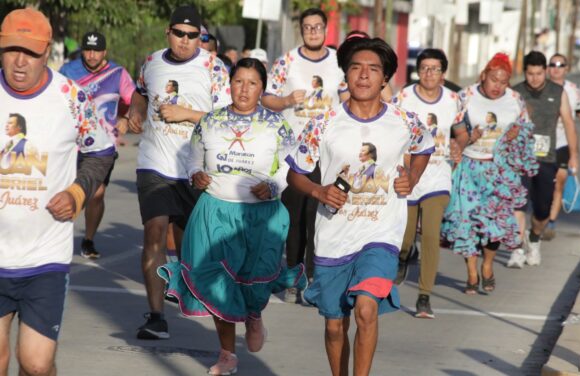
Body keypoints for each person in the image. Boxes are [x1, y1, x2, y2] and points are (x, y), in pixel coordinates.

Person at [286, 36, 434, 376]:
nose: (364, 75)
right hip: (334, 237)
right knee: (335, 326)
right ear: (346, 76)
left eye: (373, 69)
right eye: (356, 68)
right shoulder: (324, 123)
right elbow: (296, 173)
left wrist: (411, 176)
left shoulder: (403, 120)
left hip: (380, 234)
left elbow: (424, 147)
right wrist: (319, 191)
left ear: (385, 79)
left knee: (366, 310)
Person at [157, 58, 306, 375]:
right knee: (215, 283)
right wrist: (196, 174)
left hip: (260, 216)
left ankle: (254, 314)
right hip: (214, 211)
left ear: (262, 89)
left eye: (252, 83)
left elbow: (290, 168)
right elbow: (193, 159)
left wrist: (272, 186)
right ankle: (227, 354)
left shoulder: (276, 125)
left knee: (252, 284)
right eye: (239, 81)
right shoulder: (210, 121)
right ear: (230, 84)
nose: (244, 89)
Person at [0, 8, 114, 375]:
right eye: (11, 50)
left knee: (35, 364)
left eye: (31, 52)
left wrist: (79, 193)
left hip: (44, 256)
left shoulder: (71, 98)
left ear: (47, 52)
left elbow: (101, 150)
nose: (20, 62)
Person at [127, 4, 231, 340]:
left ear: (200, 37)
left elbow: (227, 119)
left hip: (194, 168)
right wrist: (135, 112)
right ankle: (156, 317)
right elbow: (140, 94)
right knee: (154, 233)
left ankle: (190, 288)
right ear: (168, 32)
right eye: (179, 33)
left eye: (192, 35)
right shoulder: (152, 61)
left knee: (191, 246)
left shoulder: (214, 68)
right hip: (154, 164)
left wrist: (186, 113)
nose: (185, 41)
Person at [262, 8, 346, 303]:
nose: (313, 32)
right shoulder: (287, 61)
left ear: (326, 29)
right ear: (301, 30)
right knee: (294, 218)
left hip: (328, 152)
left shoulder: (338, 62)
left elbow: (348, 99)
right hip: (295, 152)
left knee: (318, 218)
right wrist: (285, 100)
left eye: (318, 27)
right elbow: (267, 97)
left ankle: (313, 279)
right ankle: (292, 276)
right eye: (307, 27)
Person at [441, 53, 537, 293]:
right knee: (467, 223)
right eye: (494, 79)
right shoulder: (466, 96)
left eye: (504, 81)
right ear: (483, 76)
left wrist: (517, 133)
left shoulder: (515, 100)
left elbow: (526, 127)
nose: (498, 86)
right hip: (469, 168)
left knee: (495, 223)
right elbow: (452, 126)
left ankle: (488, 265)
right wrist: (464, 139)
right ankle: (472, 272)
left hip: (499, 171)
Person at [391, 48, 469, 318]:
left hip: (438, 174)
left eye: (435, 69)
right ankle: (402, 257)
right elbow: (390, 129)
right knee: (405, 235)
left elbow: (460, 132)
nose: (429, 73)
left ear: (443, 74)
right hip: (409, 174)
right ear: (418, 71)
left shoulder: (452, 100)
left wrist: (459, 146)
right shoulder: (403, 97)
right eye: (424, 68)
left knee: (432, 234)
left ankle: (424, 296)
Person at [59, 31, 135, 260]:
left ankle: (88, 239)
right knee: (66, 191)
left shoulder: (117, 73)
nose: (91, 55)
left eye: (96, 50)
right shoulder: (67, 72)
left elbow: (137, 101)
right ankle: (59, 236)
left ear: (105, 52)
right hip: (71, 144)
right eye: (87, 49)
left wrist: (125, 119)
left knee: (97, 193)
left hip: (103, 146)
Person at [509, 51, 579, 267]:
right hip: (519, 159)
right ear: (525, 72)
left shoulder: (558, 92)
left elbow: (568, 123)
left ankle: (534, 238)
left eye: (539, 74)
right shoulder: (515, 93)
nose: (535, 79)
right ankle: (518, 249)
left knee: (542, 211)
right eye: (530, 74)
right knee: (518, 205)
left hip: (546, 158)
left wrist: (574, 155)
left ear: (545, 72)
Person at [543, 53, 580, 240]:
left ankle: (551, 223)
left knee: (559, 182)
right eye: (553, 64)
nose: (556, 68)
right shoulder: (539, 87)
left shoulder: (573, 89)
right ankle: (541, 214)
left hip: (563, 142)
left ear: (566, 68)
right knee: (542, 185)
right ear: (547, 68)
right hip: (541, 143)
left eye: (560, 64)